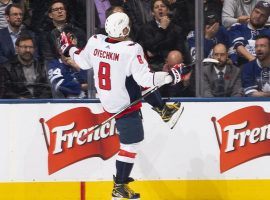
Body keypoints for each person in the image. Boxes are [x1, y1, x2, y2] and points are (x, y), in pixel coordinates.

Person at [58, 12, 189, 199]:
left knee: (135, 82)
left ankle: (163, 110)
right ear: (126, 29)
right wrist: (170, 76)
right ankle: (119, 186)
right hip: (122, 103)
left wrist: (69, 48)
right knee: (132, 144)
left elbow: (81, 60)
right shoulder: (131, 49)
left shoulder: (96, 40)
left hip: (107, 98)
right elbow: (146, 79)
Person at [137, 0, 187, 71]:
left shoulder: (177, 28)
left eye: (163, 6)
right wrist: (162, 29)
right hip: (154, 65)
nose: (160, 8)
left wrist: (156, 51)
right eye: (156, 7)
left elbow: (180, 50)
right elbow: (150, 48)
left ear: (168, 10)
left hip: (173, 63)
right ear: (152, 13)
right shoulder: (146, 28)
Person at [0, 34, 51, 98]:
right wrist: (20, 99)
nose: (28, 50)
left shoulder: (42, 65)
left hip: (41, 104)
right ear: (17, 48)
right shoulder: (7, 67)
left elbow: (48, 89)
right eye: (24, 47)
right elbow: (5, 91)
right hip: (17, 105)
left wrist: (39, 101)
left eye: (30, 47)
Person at [228, 1, 270, 66]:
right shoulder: (238, 27)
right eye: (257, 12)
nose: (258, 16)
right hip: (239, 67)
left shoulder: (268, 32)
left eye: (263, 15)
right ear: (252, 11)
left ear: (267, 19)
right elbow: (238, 46)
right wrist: (254, 61)